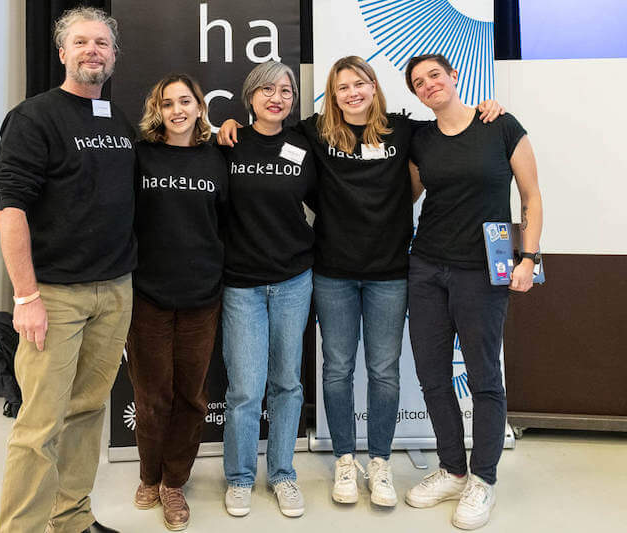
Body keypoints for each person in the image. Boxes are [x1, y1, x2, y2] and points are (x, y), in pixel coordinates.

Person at [218, 55, 504, 509]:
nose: (352, 92)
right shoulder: (312, 133)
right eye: (341, 86)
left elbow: (450, 130)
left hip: (390, 273)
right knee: (336, 370)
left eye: (360, 83)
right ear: (331, 95)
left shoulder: (403, 130)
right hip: (332, 272)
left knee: (384, 372)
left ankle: (381, 463)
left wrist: (488, 111)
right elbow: (263, 135)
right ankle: (347, 461)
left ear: (374, 86)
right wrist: (231, 123)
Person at [0, 7, 135, 533]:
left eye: (101, 42)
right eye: (81, 42)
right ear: (62, 53)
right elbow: (12, 208)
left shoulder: (119, 122)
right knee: (39, 426)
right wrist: (25, 296)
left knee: (87, 412)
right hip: (54, 296)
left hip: (115, 290)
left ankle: (72, 517)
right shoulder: (34, 117)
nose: (92, 50)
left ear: (114, 54)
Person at [403, 53, 543, 530]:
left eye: (434, 76)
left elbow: (532, 197)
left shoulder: (500, 125)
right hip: (425, 269)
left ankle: (483, 478)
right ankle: (452, 468)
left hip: (484, 271)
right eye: (419, 83)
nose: (428, 86)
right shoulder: (421, 140)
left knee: (484, 378)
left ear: (454, 76)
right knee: (432, 375)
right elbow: (405, 197)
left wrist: (529, 258)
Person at [126, 74, 227, 531]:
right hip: (147, 296)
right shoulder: (141, 156)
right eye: (168, 104)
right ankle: (149, 474)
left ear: (200, 106)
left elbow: (227, 223)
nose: (177, 110)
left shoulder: (218, 158)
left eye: (185, 101)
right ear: (158, 111)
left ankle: (173, 484)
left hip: (202, 298)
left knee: (191, 396)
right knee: (151, 398)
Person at [219, 60, 316, 519]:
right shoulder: (229, 143)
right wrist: (225, 127)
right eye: (268, 90)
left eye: (286, 91)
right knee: (244, 389)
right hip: (242, 285)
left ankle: (282, 474)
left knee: (287, 383)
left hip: (294, 280)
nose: (277, 98)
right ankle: (239, 477)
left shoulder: (304, 144)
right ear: (250, 95)